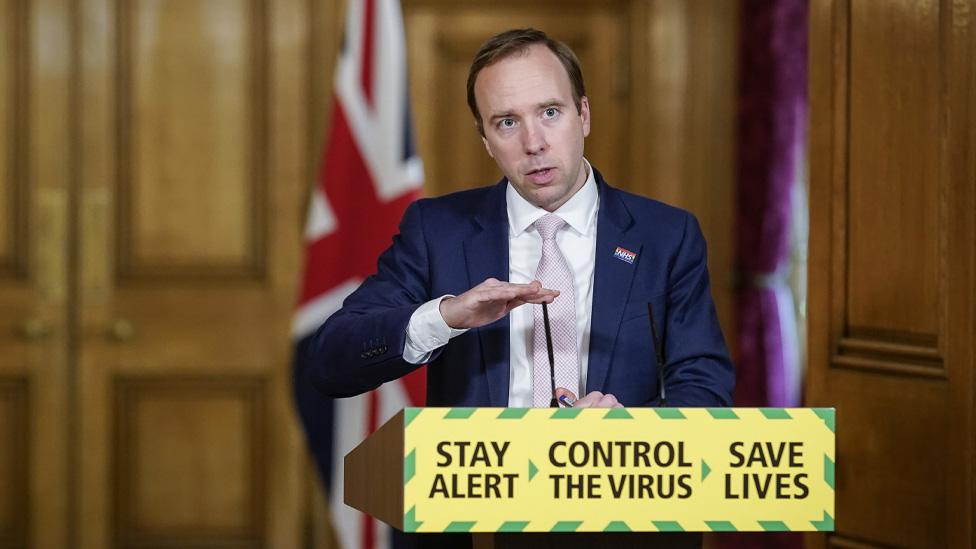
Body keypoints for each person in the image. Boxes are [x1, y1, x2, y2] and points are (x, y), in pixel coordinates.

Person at [307, 28, 734, 411]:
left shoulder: (666, 236)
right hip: (482, 492)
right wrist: (445, 318)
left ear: (583, 115)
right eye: (507, 122)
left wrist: (630, 431)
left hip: (616, 492)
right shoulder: (436, 231)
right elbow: (330, 362)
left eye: (550, 112)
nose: (534, 143)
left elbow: (705, 388)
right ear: (486, 141)